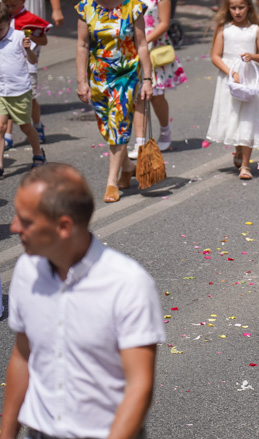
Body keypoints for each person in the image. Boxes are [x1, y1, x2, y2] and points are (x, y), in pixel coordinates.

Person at [2, 164, 164, 439]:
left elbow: (139, 386)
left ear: (63, 226)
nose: (14, 227)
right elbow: (23, 355)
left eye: (26, 220)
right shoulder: (26, 271)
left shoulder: (128, 283)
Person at [75, 0, 152, 203]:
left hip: (125, 75)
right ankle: (128, 167)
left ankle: (112, 182)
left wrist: (147, 78)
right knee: (106, 128)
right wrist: (81, 81)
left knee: (118, 126)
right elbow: (82, 45)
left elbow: (141, 45)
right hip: (97, 76)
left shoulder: (133, 6)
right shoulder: (85, 6)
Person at [126, 0, 188, 160]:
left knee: (157, 95)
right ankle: (141, 142)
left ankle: (165, 131)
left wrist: (144, 41)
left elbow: (163, 23)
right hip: (132, 50)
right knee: (138, 96)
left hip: (154, 49)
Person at [206, 0, 259, 179]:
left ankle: (245, 165)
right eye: (233, 8)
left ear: (249, 8)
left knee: (248, 118)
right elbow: (215, 56)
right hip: (230, 79)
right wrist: (230, 72)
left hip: (249, 78)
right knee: (234, 115)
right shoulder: (224, 30)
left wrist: (253, 56)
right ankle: (239, 149)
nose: (237, 11)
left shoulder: (255, 30)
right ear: (228, 9)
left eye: (241, 7)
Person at [0, 0, 51, 150]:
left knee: (30, 97)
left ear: (23, 0)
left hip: (27, 65)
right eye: (6, 5)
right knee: (7, 98)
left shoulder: (29, 18)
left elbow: (44, 40)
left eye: (13, 5)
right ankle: (7, 134)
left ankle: (37, 125)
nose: (10, 9)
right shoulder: (2, 17)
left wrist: (30, 39)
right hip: (8, 66)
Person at [0, 2, 43, 176]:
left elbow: (33, 61)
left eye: (0, 29)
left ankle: (38, 154)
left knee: (26, 127)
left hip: (19, 91)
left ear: (8, 22)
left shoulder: (18, 37)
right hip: (1, 91)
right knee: (0, 127)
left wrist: (28, 49)